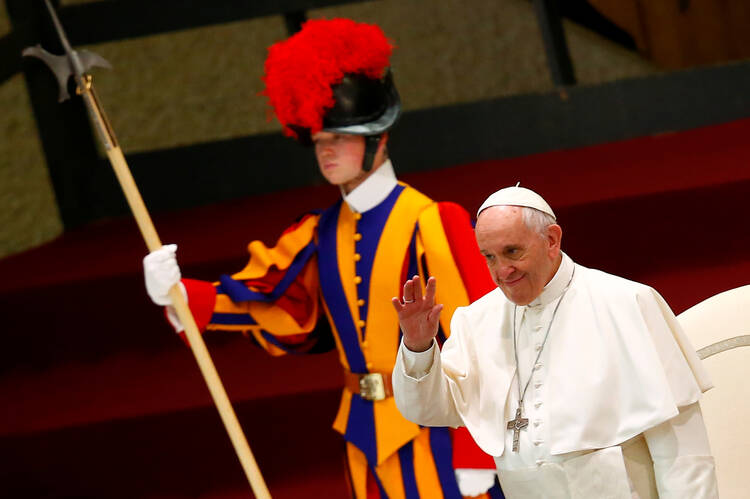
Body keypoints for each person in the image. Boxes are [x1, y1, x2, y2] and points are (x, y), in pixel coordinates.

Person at [142, 18, 504, 499]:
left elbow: (480, 338)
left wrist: (478, 449)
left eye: (341, 136)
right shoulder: (319, 232)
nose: (327, 150)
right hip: (360, 431)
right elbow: (282, 306)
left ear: (379, 137)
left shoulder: (431, 220)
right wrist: (180, 293)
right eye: (319, 140)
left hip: (433, 429)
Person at [391, 185, 719, 498]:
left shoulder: (627, 303)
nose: (502, 271)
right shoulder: (476, 321)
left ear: (551, 239)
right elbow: (432, 410)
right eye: (489, 257)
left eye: (512, 252)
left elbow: (682, 453)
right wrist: (418, 348)